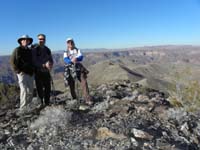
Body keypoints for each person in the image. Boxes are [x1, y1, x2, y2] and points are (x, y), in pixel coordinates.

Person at [63, 38, 93, 105]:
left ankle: (87, 99)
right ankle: (74, 98)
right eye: (68, 42)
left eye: (71, 42)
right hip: (70, 69)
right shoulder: (66, 51)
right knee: (72, 85)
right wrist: (71, 61)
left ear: (73, 42)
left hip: (78, 68)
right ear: (67, 44)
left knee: (84, 83)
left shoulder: (77, 50)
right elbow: (65, 59)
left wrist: (76, 58)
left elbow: (81, 57)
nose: (70, 43)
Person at [10, 35, 34, 112]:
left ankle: (29, 106)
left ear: (29, 42)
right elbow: (12, 61)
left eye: (27, 40)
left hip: (30, 73)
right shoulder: (17, 50)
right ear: (21, 41)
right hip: (22, 74)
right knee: (24, 91)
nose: (25, 41)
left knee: (30, 90)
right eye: (23, 40)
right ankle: (23, 108)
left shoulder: (29, 50)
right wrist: (18, 72)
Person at [32, 34, 53, 107]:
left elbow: (51, 59)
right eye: (40, 39)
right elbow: (34, 61)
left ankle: (47, 103)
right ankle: (40, 103)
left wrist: (50, 64)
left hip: (46, 71)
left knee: (48, 88)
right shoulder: (35, 49)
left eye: (43, 39)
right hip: (38, 72)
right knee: (39, 88)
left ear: (45, 40)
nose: (41, 40)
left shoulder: (47, 49)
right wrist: (44, 65)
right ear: (38, 40)